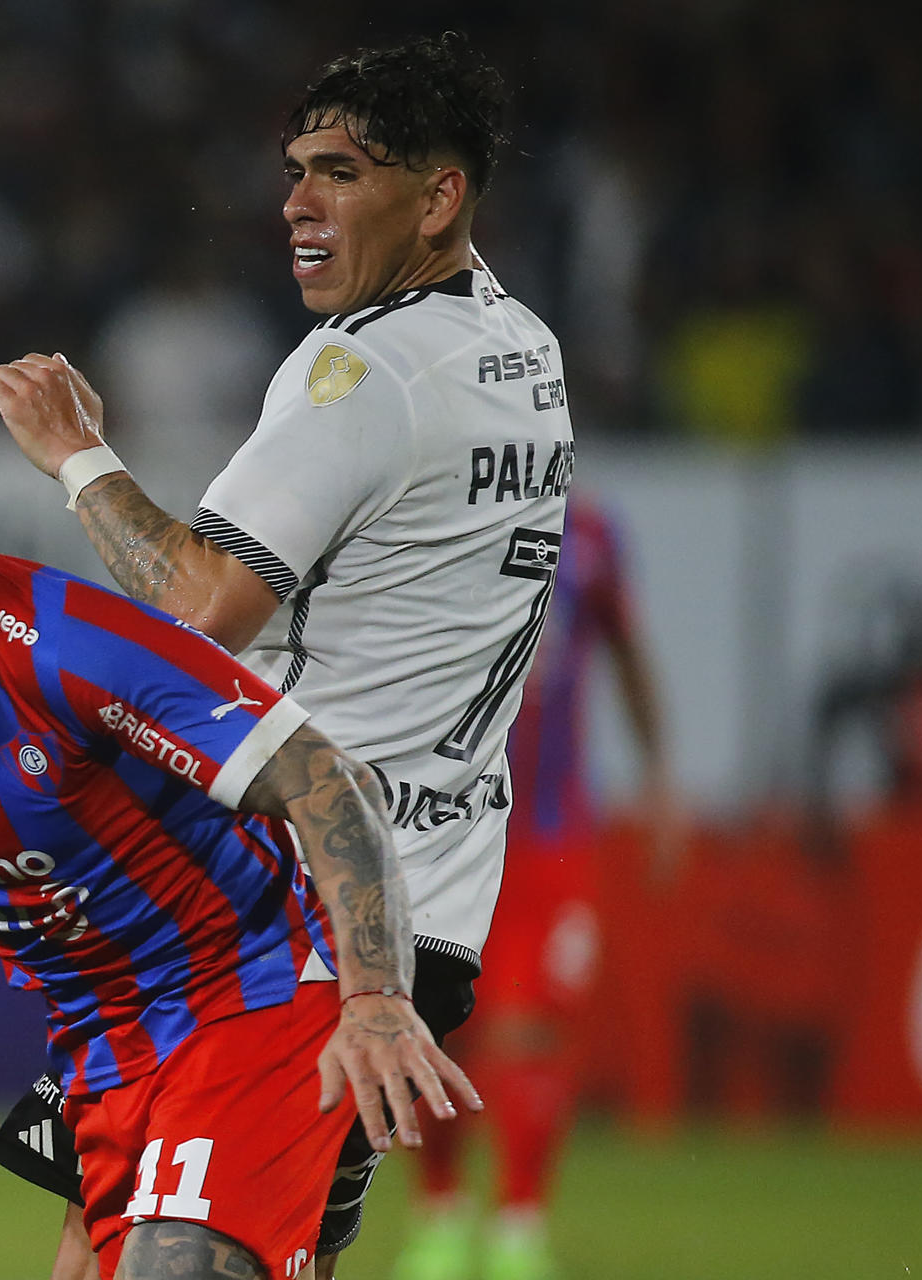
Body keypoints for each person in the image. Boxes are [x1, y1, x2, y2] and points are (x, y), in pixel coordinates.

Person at [0, 32, 570, 1279]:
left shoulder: (366, 371)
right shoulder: (523, 348)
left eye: (342, 172)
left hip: (296, 909)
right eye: (298, 167)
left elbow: (198, 606)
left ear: (440, 193)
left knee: (182, 1254)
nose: (296, 201)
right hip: (429, 887)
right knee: (119, 1234)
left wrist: (78, 454)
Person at [0, 416, 479, 1280]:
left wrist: (374, 999)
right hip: (101, 1039)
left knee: (173, 1270)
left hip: (256, 985)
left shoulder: (73, 651)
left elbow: (332, 784)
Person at [392, 497, 681, 1280]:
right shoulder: (432, 505)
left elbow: (627, 653)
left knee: (528, 1030)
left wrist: (659, 783)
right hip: (440, 821)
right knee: (432, 1025)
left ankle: (519, 1227)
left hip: (549, 836)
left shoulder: (590, 535)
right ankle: (442, 1216)